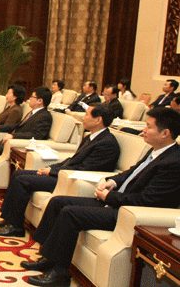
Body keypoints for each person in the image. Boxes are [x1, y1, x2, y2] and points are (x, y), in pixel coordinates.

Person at [22, 107, 180, 286]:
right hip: (117, 200)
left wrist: (109, 197)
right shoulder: (156, 150)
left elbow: (148, 200)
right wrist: (112, 181)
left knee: (70, 213)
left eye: (149, 126)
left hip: (127, 212)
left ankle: (60, 274)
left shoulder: (174, 162)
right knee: (58, 202)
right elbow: (131, 172)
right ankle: (49, 257)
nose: (143, 130)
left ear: (165, 133)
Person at [0, 103, 120, 238]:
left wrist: (53, 172)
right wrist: (52, 167)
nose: (83, 117)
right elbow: (73, 160)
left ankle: (16, 227)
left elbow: (85, 168)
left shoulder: (106, 143)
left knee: (22, 180)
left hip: (70, 180)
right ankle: (9, 218)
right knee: (18, 174)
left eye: (87, 114)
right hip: (63, 173)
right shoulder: (91, 137)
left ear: (98, 120)